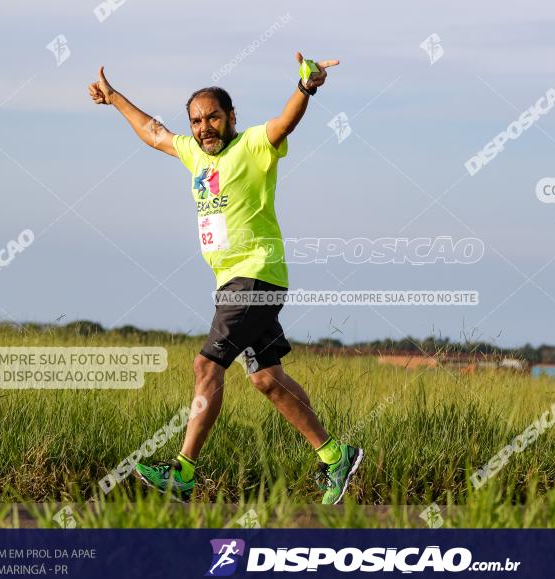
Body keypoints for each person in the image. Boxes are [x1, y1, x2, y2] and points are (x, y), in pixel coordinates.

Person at [87, 52, 363, 504]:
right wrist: (114, 97)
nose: (204, 127)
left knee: (204, 365)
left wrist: (306, 87)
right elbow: (153, 133)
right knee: (267, 379)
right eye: (196, 120)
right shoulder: (195, 155)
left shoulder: (253, 145)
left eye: (212, 117)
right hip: (234, 284)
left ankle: (184, 471)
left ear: (231, 117)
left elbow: (284, 123)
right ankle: (336, 455)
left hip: (254, 277)